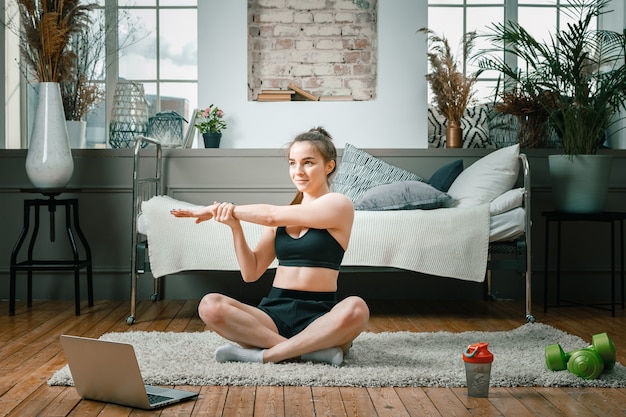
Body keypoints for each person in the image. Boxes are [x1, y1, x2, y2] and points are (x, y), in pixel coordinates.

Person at [170, 127, 370, 366]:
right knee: (210, 306)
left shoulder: (339, 204)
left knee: (357, 308)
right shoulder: (281, 218)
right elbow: (251, 273)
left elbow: (271, 216)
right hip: (274, 313)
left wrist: (214, 210)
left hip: (320, 315)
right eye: (292, 163)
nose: (298, 171)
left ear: (329, 166)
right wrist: (235, 227)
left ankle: (266, 354)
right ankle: (308, 352)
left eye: (308, 163)